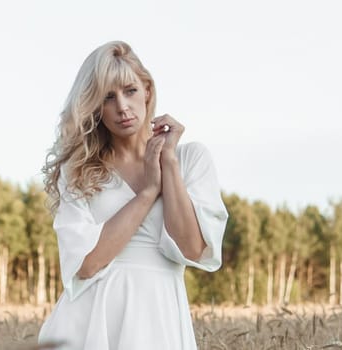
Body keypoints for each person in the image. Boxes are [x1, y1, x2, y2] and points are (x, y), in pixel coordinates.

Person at [37, 41, 230, 349]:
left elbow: (193, 248)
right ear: (94, 107)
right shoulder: (80, 171)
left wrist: (168, 163)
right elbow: (86, 265)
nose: (122, 107)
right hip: (92, 322)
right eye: (107, 97)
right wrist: (148, 192)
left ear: (148, 91)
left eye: (130, 91)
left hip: (161, 316)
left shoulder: (191, 159)